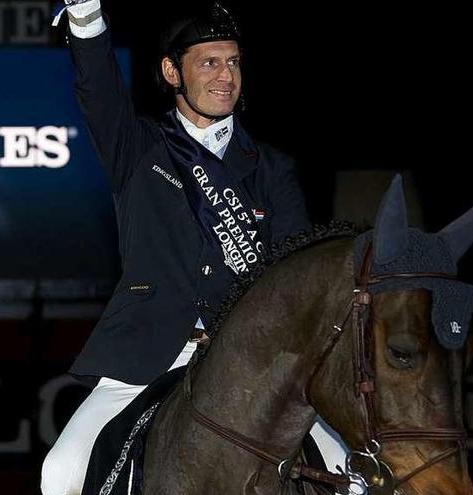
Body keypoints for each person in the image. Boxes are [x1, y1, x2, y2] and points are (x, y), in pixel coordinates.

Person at [42, 2, 346, 494]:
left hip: (253, 363)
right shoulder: (137, 148)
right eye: (209, 62)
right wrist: (86, 14)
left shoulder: (272, 169)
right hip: (149, 354)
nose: (226, 75)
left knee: (350, 475)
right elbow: (98, 87)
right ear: (171, 72)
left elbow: (294, 275)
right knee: (60, 474)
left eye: (234, 62)